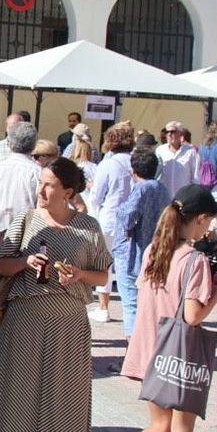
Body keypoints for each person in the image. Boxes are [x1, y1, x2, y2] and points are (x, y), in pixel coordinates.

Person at [0, 159, 112, 432]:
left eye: (49, 185)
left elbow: (102, 275)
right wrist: (25, 262)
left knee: (61, 396)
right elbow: (1, 265)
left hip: (69, 320)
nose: (41, 190)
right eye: (40, 183)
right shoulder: (26, 220)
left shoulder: (88, 226)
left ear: (68, 192)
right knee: (21, 393)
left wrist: (79, 275)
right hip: (26, 315)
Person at [104, 186, 217, 432]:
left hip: (150, 349)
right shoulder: (195, 261)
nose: (210, 230)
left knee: (158, 425)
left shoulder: (154, 251)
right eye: (210, 222)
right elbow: (192, 315)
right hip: (178, 356)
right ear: (200, 219)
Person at [0, 120, 41, 365]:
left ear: (10, 142)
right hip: (29, 247)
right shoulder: (37, 173)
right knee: (25, 300)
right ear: (33, 145)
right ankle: (21, 351)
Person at [112, 148, 172, 338]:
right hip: (155, 251)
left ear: (134, 169)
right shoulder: (163, 189)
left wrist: (119, 209)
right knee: (147, 305)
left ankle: (132, 355)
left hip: (133, 253)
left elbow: (128, 216)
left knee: (130, 304)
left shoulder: (141, 188)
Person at [88, 123, 136, 324]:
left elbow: (96, 196)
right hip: (132, 219)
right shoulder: (135, 162)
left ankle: (103, 307)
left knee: (105, 264)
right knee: (128, 265)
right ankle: (130, 309)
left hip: (109, 218)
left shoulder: (108, 164)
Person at [156, 121, 203, 196]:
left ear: (180, 134)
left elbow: (196, 178)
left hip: (183, 198)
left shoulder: (190, 152)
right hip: (165, 197)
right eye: (167, 132)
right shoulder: (160, 150)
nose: (169, 134)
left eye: (172, 131)